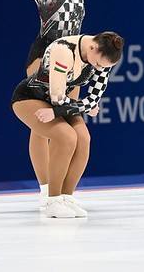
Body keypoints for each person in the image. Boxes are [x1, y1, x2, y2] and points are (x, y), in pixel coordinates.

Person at [12, 32, 123, 218]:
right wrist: (82, 107)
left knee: (83, 138)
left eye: (104, 67)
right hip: (29, 97)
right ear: (92, 48)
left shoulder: (102, 57)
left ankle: (66, 197)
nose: (99, 69)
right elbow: (58, 98)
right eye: (98, 64)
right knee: (66, 137)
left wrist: (65, 110)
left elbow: (93, 100)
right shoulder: (63, 50)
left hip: (59, 105)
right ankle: (53, 200)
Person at [23, 0, 85, 208]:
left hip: (74, 57)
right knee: (44, 123)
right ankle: (47, 189)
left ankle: (64, 192)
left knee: (70, 121)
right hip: (47, 52)